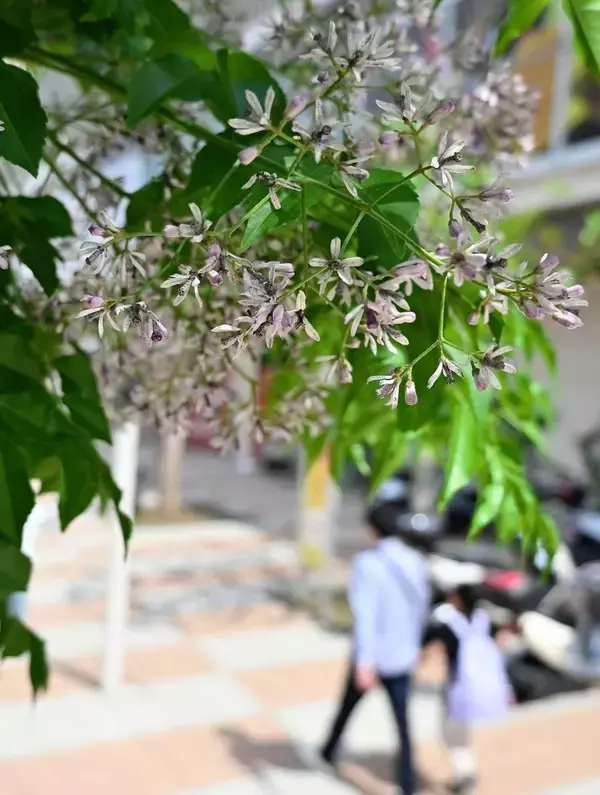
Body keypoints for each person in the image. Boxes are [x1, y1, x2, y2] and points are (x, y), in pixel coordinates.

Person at [320, 504, 431, 795]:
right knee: (402, 723)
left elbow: (365, 616)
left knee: (347, 706)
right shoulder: (415, 561)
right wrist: (415, 645)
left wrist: (365, 662)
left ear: (373, 529)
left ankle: (328, 750)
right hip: (402, 654)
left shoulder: (367, 564)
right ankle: (407, 780)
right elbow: (421, 609)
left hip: (372, 655)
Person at [422, 584, 512, 794]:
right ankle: (467, 770)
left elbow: (426, 642)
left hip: (459, 688)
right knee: (461, 733)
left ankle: (464, 773)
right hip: (484, 687)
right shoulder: (484, 620)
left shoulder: (450, 624)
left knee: (450, 733)